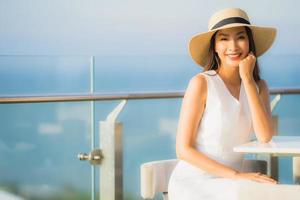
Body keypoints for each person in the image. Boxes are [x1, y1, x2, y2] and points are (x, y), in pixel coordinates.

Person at [168, 8, 278, 200]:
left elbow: (264, 136)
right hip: (194, 182)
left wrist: (248, 80)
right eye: (224, 38)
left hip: (232, 182)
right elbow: (183, 150)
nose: (233, 46)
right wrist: (236, 175)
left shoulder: (259, 86)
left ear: (249, 42)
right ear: (215, 46)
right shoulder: (201, 83)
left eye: (240, 37)